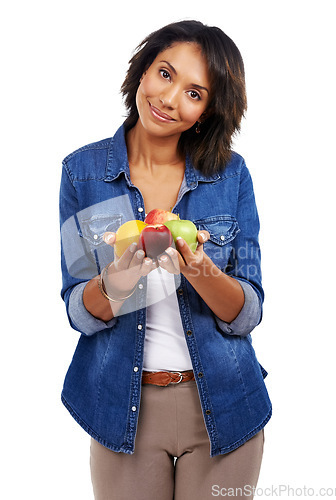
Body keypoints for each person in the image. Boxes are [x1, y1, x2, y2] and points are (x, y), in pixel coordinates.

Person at [59, 20, 272, 500]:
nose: (170, 98)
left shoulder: (229, 175)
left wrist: (197, 267)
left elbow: (248, 313)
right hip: (120, 410)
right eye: (165, 73)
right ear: (142, 70)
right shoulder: (83, 173)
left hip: (225, 404)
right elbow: (78, 310)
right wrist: (117, 280)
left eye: (195, 93)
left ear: (207, 113)